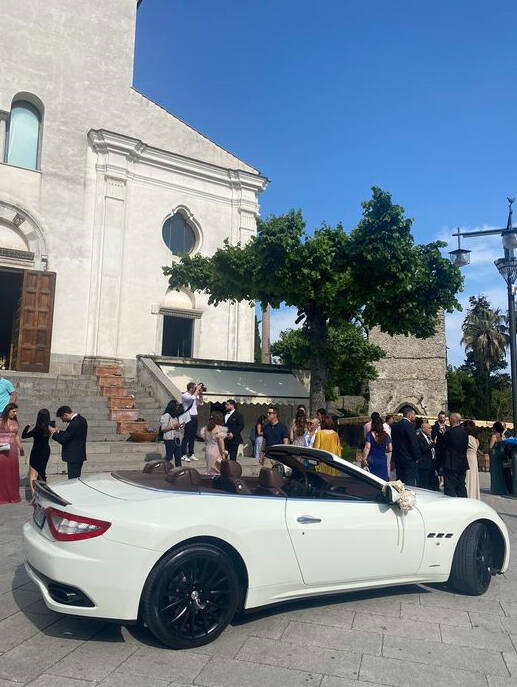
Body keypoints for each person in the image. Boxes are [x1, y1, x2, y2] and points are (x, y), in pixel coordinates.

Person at [49, 406, 88, 479]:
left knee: (73, 479)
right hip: (78, 455)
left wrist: (53, 433)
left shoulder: (75, 423)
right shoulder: (81, 419)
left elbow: (63, 440)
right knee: (75, 478)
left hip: (74, 456)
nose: (63, 421)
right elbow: (71, 434)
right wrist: (58, 431)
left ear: (65, 415)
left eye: (62, 418)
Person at [22, 408, 51, 494]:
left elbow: (24, 436)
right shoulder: (49, 428)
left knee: (33, 473)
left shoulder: (36, 429)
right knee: (42, 471)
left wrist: (27, 426)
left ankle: (34, 494)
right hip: (46, 450)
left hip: (36, 450)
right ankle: (43, 492)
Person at [391, 407, 419, 486]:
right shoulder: (409, 426)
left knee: (399, 482)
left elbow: (394, 442)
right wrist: (417, 457)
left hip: (398, 458)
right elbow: (413, 443)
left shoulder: (395, 426)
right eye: (414, 415)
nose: (415, 417)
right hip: (408, 459)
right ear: (410, 415)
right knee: (409, 482)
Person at [0, 403, 22, 503]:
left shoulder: (15, 422)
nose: (15, 413)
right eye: (13, 411)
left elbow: (16, 436)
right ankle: (3, 496)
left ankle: (12, 496)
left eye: (16, 411)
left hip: (12, 449)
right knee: (3, 472)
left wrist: (20, 447)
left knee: (12, 472)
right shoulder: (0, 421)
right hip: (2, 448)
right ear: (8, 411)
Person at [443, 412, 469, 498]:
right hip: (462, 463)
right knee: (461, 485)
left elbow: (444, 446)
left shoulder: (449, 433)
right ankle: (464, 503)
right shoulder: (464, 433)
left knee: (450, 487)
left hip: (451, 463)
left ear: (452, 420)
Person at [362, 413, 391, 480]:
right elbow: (390, 448)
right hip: (382, 459)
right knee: (382, 479)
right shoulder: (386, 435)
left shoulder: (370, 434)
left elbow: (367, 447)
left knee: (372, 479)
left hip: (371, 459)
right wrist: (384, 450)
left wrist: (364, 459)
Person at [180, 382, 204, 462]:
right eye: (195, 388)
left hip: (195, 416)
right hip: (188, 416)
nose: (196, 389)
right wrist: (197, 389)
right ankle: (183, 454)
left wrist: (200, 394)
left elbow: (200, 403)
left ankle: (191, 453)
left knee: (193, 436)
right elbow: (192, 398)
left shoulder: (194, 395)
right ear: (191, 388)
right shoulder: (185, 395)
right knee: (187, 436)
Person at [160, 400, 184, 468]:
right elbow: (163, 429)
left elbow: (177, 427)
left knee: (178, 456)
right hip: (169, 438)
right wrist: (174, 426)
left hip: (176, 438)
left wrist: (180, 425)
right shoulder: (166, 415)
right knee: (169, 456)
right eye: (176, 406)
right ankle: (165, 469)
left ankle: (179, 469)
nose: (177, 408)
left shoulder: (175, 416)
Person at [416, 423, 439, 490]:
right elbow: (424, 448)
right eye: (429, 428)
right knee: (424, 483)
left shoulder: (428, 437)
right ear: (423, 429)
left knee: (432, 483)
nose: (431, 430)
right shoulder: (419, 437)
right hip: (424, 464)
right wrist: (433, 443)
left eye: (431, 428)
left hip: (431, 463)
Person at [489, 421, 509, 496]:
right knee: (500, 472)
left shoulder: (494, 436)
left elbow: (490, 448)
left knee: (495, 472)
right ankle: (502, 489)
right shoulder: (502, 436)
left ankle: (496, 489)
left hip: (495, 455)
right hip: (501, 454)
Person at [463, 419, 480, 499]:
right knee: (473, 476)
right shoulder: (475, 438)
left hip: (468, 457)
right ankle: (474, 494)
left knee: (468, 476)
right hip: (474, 458)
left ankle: (469, 494)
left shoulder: (468, 437)